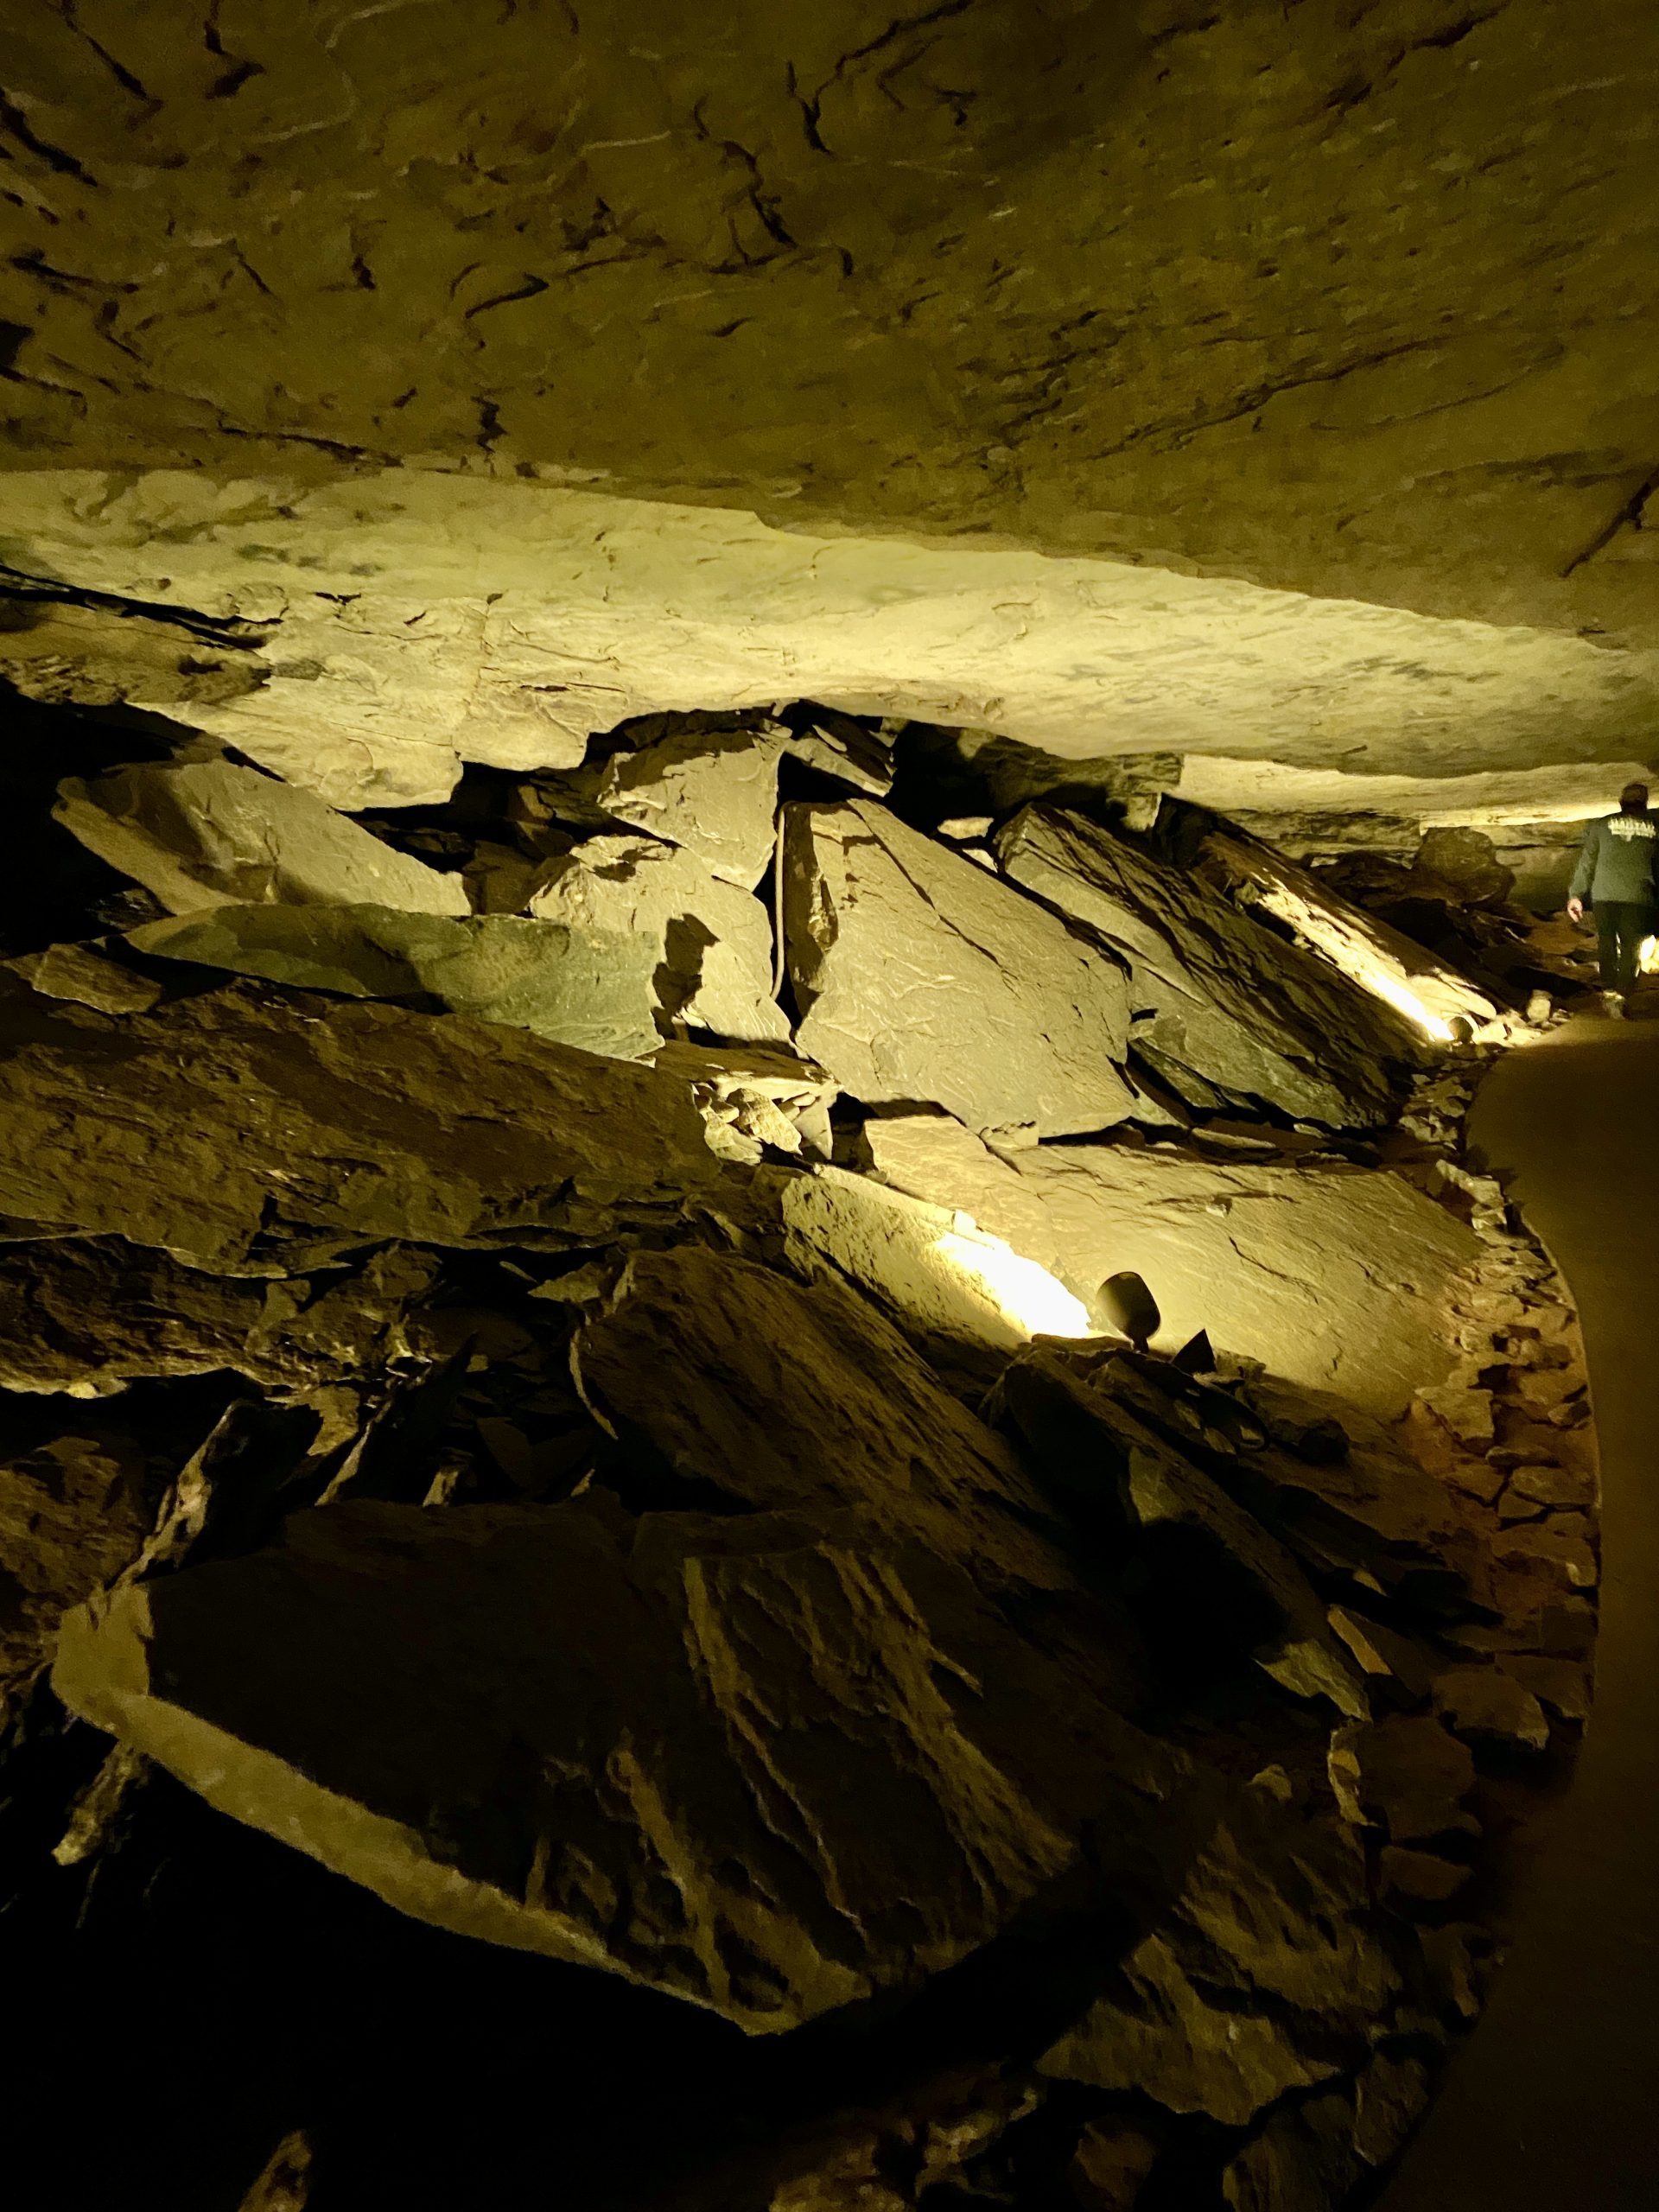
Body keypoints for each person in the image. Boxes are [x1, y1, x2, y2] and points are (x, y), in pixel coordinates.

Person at [1567, 779, 1659, 1015]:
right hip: (1638, 896)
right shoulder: (1656, 827)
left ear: (1621, 802)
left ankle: (1608, 990)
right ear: (1645, 803)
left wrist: (1576, 895)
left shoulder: (1601, 825)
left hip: (1604, 895)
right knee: (1631, 947)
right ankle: (1621, 994)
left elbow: (1587, 862)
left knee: (1606, 943)